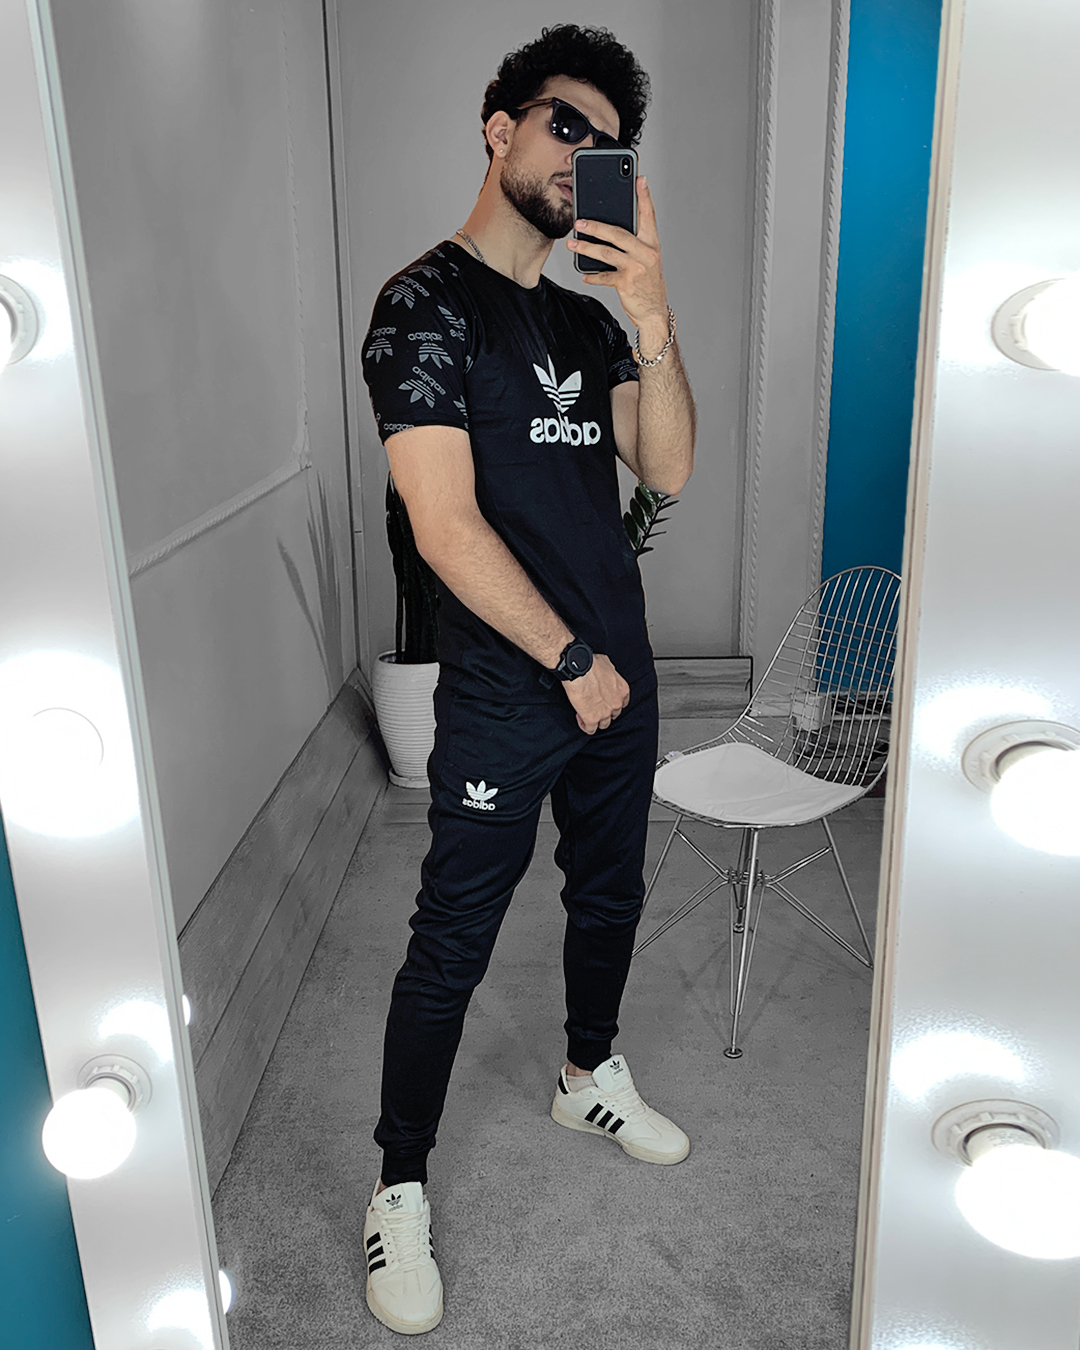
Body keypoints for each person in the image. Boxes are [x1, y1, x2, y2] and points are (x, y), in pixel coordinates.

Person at [359, 23, 696, 1335]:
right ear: (498, 128)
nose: (583, 155)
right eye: (566, 125)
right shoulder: (424, 306)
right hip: (518, 690)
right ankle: (396, 1183)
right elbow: (444, 527)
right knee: (453, 938)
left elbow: (667, 467)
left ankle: (586, 1072)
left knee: (610, 894)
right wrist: (568, 658)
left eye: (608, 145)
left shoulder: (584, 320)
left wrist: (653, 320)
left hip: (619, 679)